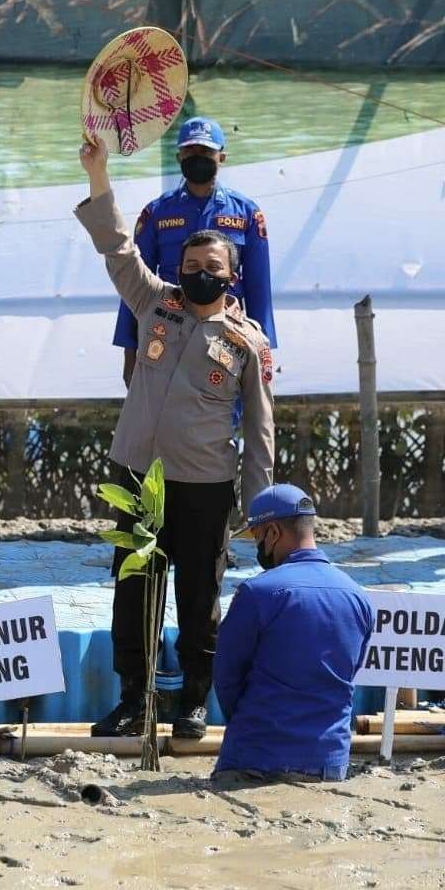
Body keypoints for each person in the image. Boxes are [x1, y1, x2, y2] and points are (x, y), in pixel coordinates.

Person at [76, 135, 275, 741]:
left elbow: (261, 430)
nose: (199, 275)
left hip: (205, 486)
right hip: (136, 477)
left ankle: (192, 701)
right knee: (133, 590)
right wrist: (98, 174)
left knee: (197, 597)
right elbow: (116, 246)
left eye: (212, 269)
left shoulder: (248, 343)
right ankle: (134, 698)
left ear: (232, 275)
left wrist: (260, 509)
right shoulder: (153, 303)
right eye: (190, 268)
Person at [213, 485, 373, 782]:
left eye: (257, 538)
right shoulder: (358, 597)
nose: (258, 547)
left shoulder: (257, 593)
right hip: (329, 763)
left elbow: (226, 678)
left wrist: (250, 728)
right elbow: (348, 673)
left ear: (272, 532)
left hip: (255, 758)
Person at [112, 117, 276, 387]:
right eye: (189, 151)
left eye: (205, 151)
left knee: (222, 413)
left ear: (221, 157)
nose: (197, 157)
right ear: (178, 157)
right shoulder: (156, 213)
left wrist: (264, 354)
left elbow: (259, 289)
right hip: (167, 328)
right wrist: (129, 352)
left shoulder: (246, 213)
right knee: (164, 413)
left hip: (227, 333)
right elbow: (134, 286)